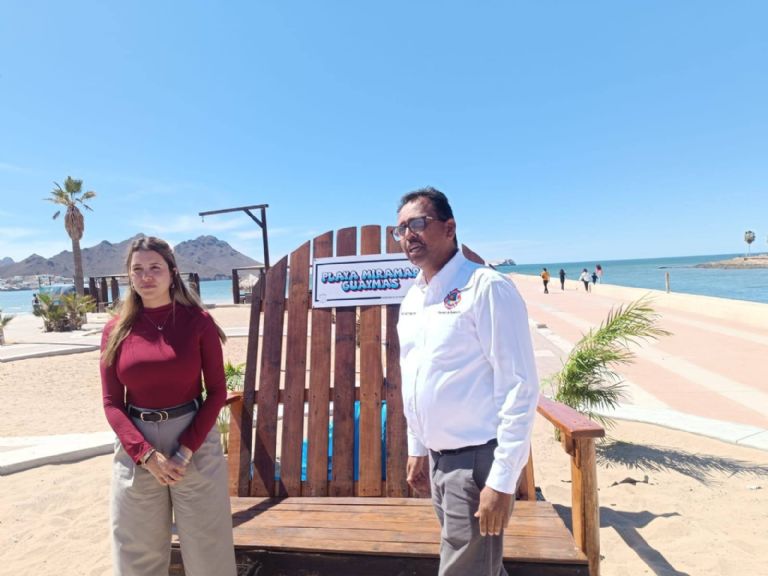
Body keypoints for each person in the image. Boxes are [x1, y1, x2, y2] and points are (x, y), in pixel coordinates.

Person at [394, 187, 539, 576]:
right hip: (440, 464)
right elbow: (416, 377)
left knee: (464, 568)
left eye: (418, 223)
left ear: (450, 227)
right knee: (482, 567)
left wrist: (503, 481)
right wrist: (418, 447)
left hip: (478, 462)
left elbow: (520, 386)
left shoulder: (486, 288)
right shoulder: (413, 300)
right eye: (401, 229)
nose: (409, 235)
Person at [100, 236, 236, 576]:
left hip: (193, 437)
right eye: (138, 269)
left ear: (172, 272)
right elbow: (112, 403)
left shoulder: (197, 322)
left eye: (155, 268)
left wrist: (185, 450)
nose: (146, 276)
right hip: (137, 445)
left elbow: (217, 391)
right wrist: (145, 454)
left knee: (208, 549)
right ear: (129, 277)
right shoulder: (116, 330)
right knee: (136, 551)